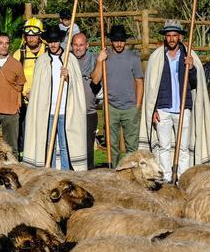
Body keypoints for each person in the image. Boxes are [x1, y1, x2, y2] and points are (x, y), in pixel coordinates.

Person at [138, 20, 210, 182]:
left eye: (174, 35)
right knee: (164, 147)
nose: (171, 39)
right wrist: (153, 111)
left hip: (183, 108)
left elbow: (196, 84)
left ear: (179, 37)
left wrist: (192, 68)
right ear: (165, 37)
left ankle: (182, 178)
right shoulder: (157, 57)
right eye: (168, 35)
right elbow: (152, 87)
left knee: (183, 148)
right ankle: (166, 178)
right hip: (163, 109)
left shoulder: (189, 56)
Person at [22, 27, 88, 170]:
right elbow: (39, 87)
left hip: (65, 110)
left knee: (65, 144)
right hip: (47, 111)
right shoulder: (42, 60)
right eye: (50, 42)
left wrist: (69, 76)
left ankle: (65, 173)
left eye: (56, 41)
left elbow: (77, 86)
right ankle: (50, 172)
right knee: (47, 144)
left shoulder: (69, 59)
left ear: (60, 42)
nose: (53, 45)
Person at [96, 24, 143, 166]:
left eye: (121, 40)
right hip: (111, 107)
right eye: (116, 40)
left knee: (132, 147)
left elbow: (139, 82)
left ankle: (132, 172)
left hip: (130, 107)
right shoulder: (105, 57)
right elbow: (96, 78)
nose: (119, 44)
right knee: (112, 146)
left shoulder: (133, 58)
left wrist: (138, 105)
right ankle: (114, 172)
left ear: (125, 41)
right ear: (111, 41)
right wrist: (100, 60)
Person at [14, 18, 46, 157]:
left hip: (45, 102)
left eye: (34, 35)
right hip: (24, 103)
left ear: (40, 36)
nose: (31, 38)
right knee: (25, 133)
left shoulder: (49, 52)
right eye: (28, 35)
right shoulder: (18, 54)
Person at [0, 32, 25, 151]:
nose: (4, 46)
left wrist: (18, 102)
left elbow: (20, 85)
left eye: (7, 43)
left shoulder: (16, 64)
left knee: (11, 146)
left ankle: (13, 168)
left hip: (11, 109)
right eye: (1, 43)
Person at [70, 32, 101, 168]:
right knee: (72, 145)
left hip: (89, 112)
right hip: (71, 112)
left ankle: (88, 174)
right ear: (71, 46)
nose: (78, 48)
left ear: (87, 45)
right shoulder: (67, 59)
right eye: (75, 45)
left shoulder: (93, 59)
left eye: (81, 45)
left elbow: (96, 79)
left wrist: (100, 61)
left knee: (88, 147)